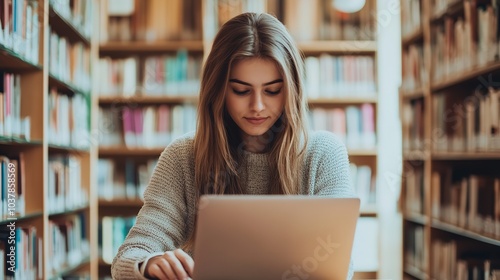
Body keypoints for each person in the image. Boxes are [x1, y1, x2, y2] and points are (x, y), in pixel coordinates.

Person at [111, 12, 356, 280]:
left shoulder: (323, 154)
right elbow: (130, 255)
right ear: (218, 89)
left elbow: (339, 265)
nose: (258, 106)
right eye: (241, 90)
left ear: (292, 90)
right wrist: (148, 263)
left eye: (272, 90)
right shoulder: (182, 157)